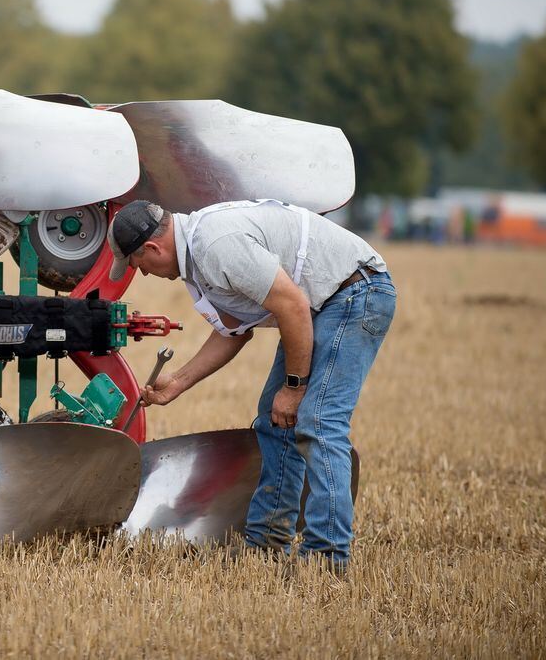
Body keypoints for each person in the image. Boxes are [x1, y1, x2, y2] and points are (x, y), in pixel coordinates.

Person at [107, 199, 396, 573]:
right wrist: (177, 382)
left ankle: (326, 559)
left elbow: (292, 306)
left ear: (152, 248)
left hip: (356, 293)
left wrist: (294, 388)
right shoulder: (198, 257)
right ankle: (266, 544)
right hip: (322, 305)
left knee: (317, 422)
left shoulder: (214, 245)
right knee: (275, 421)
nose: (141, 273)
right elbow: (234, 330)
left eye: (136, 264)